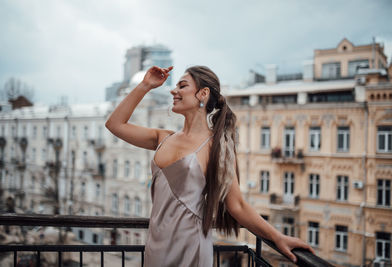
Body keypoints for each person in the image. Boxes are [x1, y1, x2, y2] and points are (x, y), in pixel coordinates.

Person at [105, 65, 314, 266]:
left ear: (203, 94)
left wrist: (277, 237)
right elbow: (114, 124)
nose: (173, 91)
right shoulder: (163, 138)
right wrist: (145, 85)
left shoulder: (217, 148)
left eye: (182, 86)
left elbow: (237, 205)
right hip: (155, 245)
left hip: (191, 247)